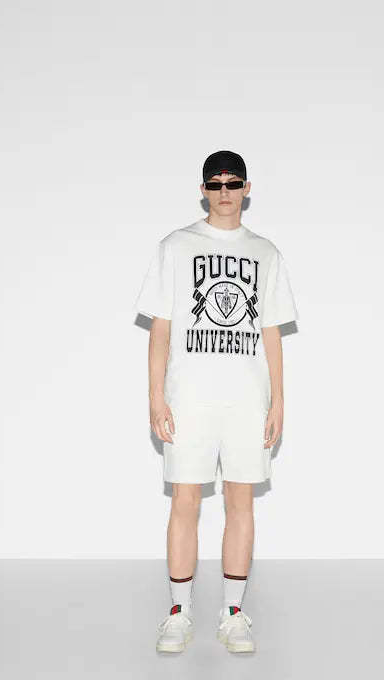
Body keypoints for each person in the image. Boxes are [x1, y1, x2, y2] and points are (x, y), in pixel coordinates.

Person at [133, 150, 299, 654]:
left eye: (233, 183)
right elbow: (160, 327)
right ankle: (178, 612)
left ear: (247, 188)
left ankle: (232, 613)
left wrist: (278, 401)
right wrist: (156, 395)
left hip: (247, 400)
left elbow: (271, 331)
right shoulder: (176, 246)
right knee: (185, 500)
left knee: (240, 501)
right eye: (215, 183)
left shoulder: (265, 252)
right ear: (203, 190)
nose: (224, 192)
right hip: (189, 398)